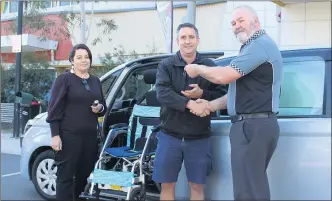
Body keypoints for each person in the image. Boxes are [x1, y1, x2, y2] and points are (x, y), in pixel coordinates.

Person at [184, 5, 283, 201]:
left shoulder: (259, 45)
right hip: (252, 124)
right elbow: (238, 94)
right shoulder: (252, 48)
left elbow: (224, 76)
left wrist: (198, 68)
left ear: (256, 21)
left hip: (253, 125)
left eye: (241, 21)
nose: (237, 26)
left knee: (250, 191)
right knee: (246, 188)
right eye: (233, 23)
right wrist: (210, 105)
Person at [152, 23, 227, 200]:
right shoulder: (166, 65)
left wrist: (202, 94)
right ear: (177, 41)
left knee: (197, 187)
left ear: (198, 40)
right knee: (167, 185)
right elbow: (162, 93)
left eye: (191, 37)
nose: (187, 41)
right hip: (170, 136)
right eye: (183, 38)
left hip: (199, 137)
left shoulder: (209, 66)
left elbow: (222, 95)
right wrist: (190, 104)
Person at [46, 44, 107, 201]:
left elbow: (103, 107)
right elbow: (54, 109)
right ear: (72, 60)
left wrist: (99, 108)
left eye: (86, 57)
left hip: (90, 138)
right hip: (68, 136)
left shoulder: (95, 81)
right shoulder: (64, 79)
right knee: (65, 178)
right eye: (79, 57)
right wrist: (55, 135)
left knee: (84, 177)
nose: (84, 60)